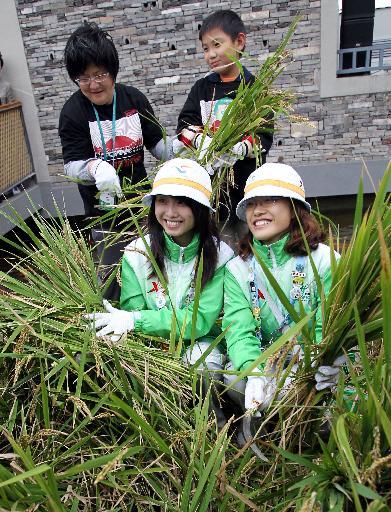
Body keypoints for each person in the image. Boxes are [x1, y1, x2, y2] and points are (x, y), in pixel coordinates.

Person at [84, 158, 234, 427]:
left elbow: (199, 320)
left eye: (182, 202)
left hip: (199, 342)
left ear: (199, 209)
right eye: (162, 201)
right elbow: (133, 309)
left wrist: (136, 321)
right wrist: (132, 323)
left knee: (200, 365)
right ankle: (155, 431)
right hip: (152, 341)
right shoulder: (136, 253)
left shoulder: (220, 256)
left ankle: (213, 428)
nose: (170, 212)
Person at [222, 162, 341, 435]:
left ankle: (311, 433)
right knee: (233, 378)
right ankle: (265, 430)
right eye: (252, 204)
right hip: (267, 365)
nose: (258, 210)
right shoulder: (238, 268)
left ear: (294, 208)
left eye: (271, 200)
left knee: (328, 408)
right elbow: (239, 329)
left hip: (313, 366)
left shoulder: (324, 261)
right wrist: (254, 372)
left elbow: (330, 324)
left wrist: (323, 363)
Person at [175, 10, 273, 241]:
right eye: (206, 49)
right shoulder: (201, 89)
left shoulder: (254, 88)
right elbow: (183, 128)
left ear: (239, 41)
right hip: (210, 191)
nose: (211, 54)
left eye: (217, 45)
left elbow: (264, 136)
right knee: (214, 247)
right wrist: (200, 141)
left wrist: (240, 148)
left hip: (245, 190)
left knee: (248, 247)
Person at [59, 22, 171, 218]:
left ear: (113, 71)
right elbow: (71, 166)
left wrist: (183, 148)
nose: (93, 85)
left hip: (143, 208)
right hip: (101, 215)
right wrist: (95, 167)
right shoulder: (72, 112)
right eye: (83, 78)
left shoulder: (134, 99)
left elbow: (157, 144)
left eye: (99, 74)